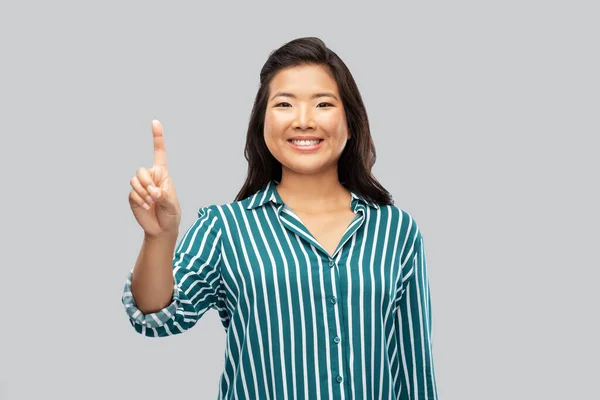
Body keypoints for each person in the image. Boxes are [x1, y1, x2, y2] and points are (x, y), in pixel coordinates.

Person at [122, 36, 438, 400]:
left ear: (350, 122)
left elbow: (415, 371)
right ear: (262, 124)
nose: (303, 121)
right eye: (285, 104)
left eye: (323, 104)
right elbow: (155, 316)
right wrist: (159, 238)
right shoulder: (224, 228)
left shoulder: (396, 231)